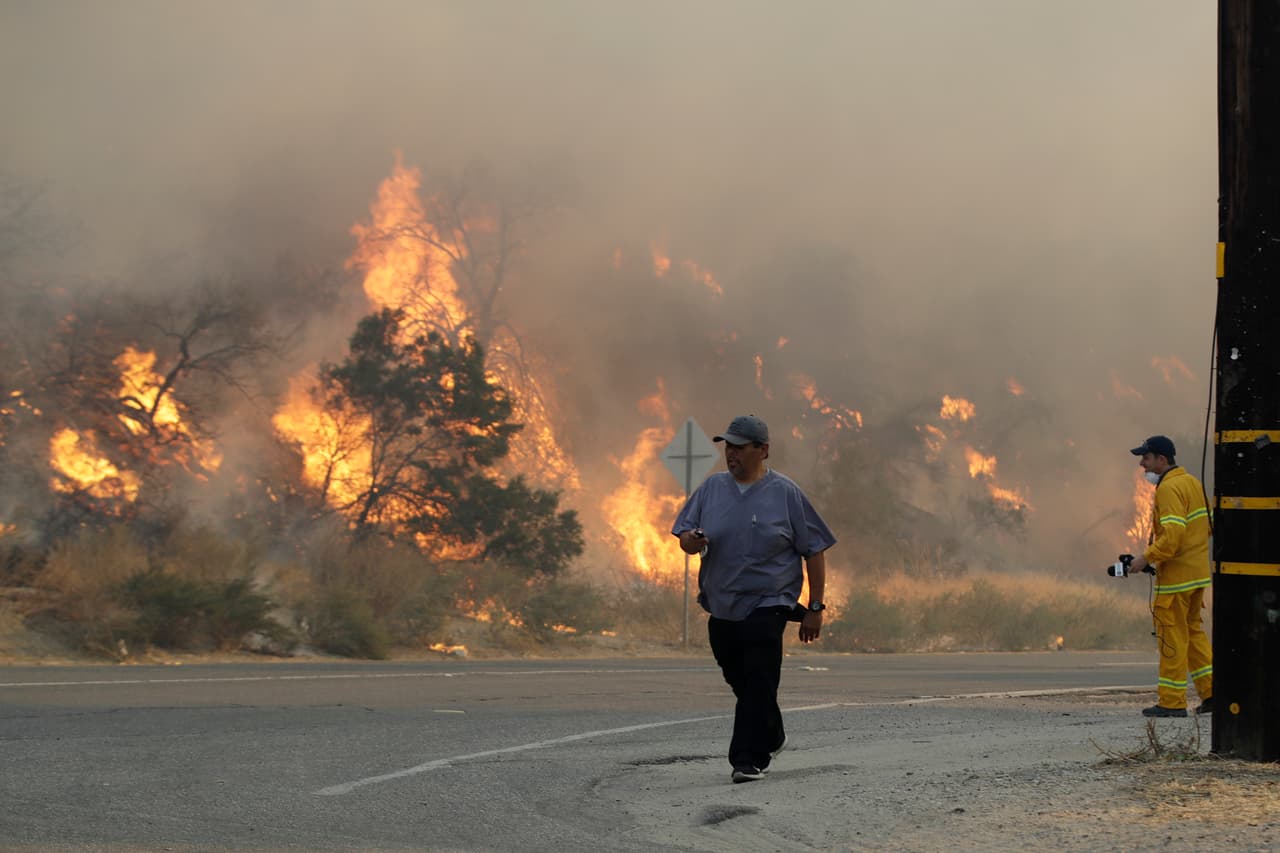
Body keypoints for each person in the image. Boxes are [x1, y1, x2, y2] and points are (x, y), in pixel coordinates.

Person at [671, 414, 836, 783]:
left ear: (762, 451)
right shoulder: (712, 489)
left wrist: (815, 607)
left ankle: (747, 759)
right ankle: (772, 731)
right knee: (740, 676)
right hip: (723, 603)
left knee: (759, 675)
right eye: (727, 446)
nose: (731, 454)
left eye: (739, 447)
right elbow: (683, 536)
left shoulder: (786, 493)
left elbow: (815, 550)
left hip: (770, 601)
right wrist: (691, 541)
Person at [1128, 435, 1213, 718]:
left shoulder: (1168, 489)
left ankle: (1172, 702)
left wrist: (1145, 558)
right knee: (1193, 634)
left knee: (1171, 637)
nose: (1142, 464)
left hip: (1176, 580)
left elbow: (1173, 537)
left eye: (1147, 458)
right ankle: (1213, 693)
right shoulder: (1192, 483)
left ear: (1162, 460)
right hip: (1197, 574)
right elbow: (1203, 529)